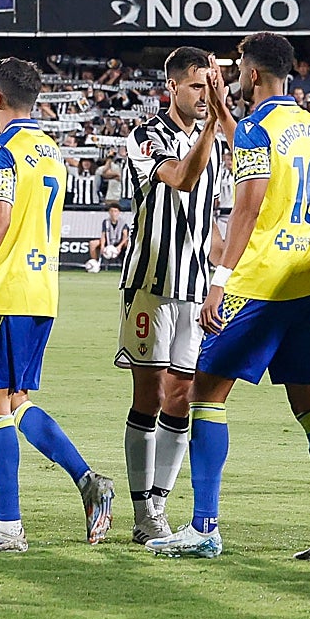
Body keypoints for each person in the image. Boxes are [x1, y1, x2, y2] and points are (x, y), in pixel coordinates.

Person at [147, 32, 310, 562]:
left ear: (253, 74)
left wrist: (219, 278)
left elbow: (248, 206)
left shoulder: (258, 130)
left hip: (257, 283)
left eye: (239, 66)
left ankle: (204, 527)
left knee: (206, 395)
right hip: (305, 279)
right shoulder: (309, 126)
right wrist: (220, 109)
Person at [0, 57, 115, 553]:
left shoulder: (1, 150)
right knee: (16, 401)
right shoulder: (49, 149)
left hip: (4, 291)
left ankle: (7, 527)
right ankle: (87, 480)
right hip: (41, 292)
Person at [116, 49, 236, 543]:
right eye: (195, 87)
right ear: (172, 88)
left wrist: (222, 279)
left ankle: (159, 506)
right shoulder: (145, 136)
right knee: (152, 393)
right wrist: (214, 123)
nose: (203, 95)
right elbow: (183, 178)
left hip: (193, 291)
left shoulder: (220, 146)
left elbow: (210, 221)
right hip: (150, 286)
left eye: (208, 86)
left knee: (184, 398)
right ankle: (142, 507)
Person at [87, 202, 130, 272]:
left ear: (119, 212)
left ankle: (127, 266)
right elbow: (103, 235)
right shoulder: (106, 222)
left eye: (115, 211)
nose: (113, 213)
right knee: (92, 243)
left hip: (118, 243)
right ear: (109, 212)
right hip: (109, 241)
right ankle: (95, 264)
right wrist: (102, 246)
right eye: (111, 211)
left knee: (128, 244)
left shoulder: (123, 223)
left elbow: (125, 237)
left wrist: (119, 246)